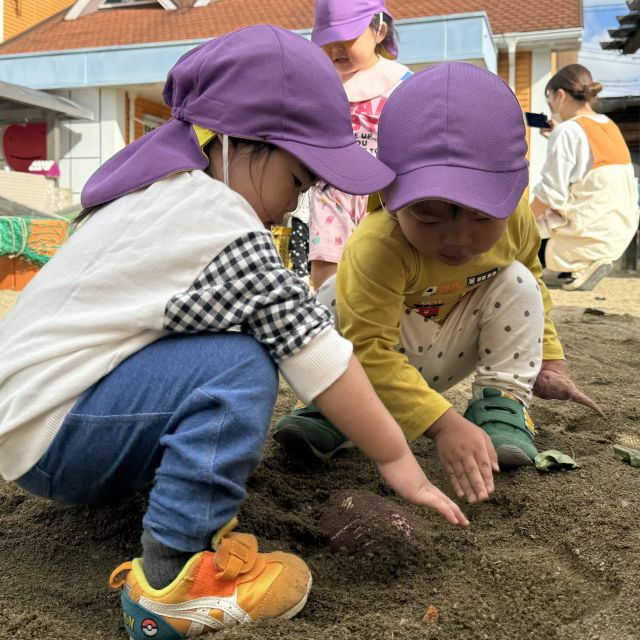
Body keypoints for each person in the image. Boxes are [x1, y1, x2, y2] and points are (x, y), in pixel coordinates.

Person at [0, 26, 469, 639]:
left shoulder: (157, 193)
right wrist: (396, 458)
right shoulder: (220, 218)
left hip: (40, 421)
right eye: (297, 181)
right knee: (241, 364)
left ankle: (170, 506)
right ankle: (172, 582)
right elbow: (317, 355)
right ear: (232, 144)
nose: (292, 209)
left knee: (223, 352)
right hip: (60, 434)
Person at [274, 62, 603, 503]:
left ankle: (501, 405)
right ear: (389, 196)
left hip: (452, 348)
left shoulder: (516, 224)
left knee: (518, 280)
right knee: (334, 291)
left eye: (482, 215)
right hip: (371, 361)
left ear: (510, 196)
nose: (458, 237)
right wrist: (443, 424)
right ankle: (337, 409)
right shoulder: (379, 245)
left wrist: (550, 360)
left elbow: (535, 287)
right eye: (428, 214)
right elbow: (369, 347)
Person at [307, 0, 411, 290]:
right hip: (330, 193)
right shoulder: (323, 85)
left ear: (379, 31)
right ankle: (328, 322)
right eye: (327, 40)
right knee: (327, 269)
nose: (335, 48)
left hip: (384, 195)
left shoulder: (400, 83)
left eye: (347, 37)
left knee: (382, 266)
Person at [530, 64, 639, 291]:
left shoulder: (567, 131)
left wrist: (521, 222)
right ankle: (576, 267)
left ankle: (573, 267)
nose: (549, 107)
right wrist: (556, 137)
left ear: (560, 95)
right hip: (619, 230)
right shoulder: (608, 125)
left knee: (525, 234)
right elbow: (591, 168)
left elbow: (550, 194)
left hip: (588, 234)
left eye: (549, 98)